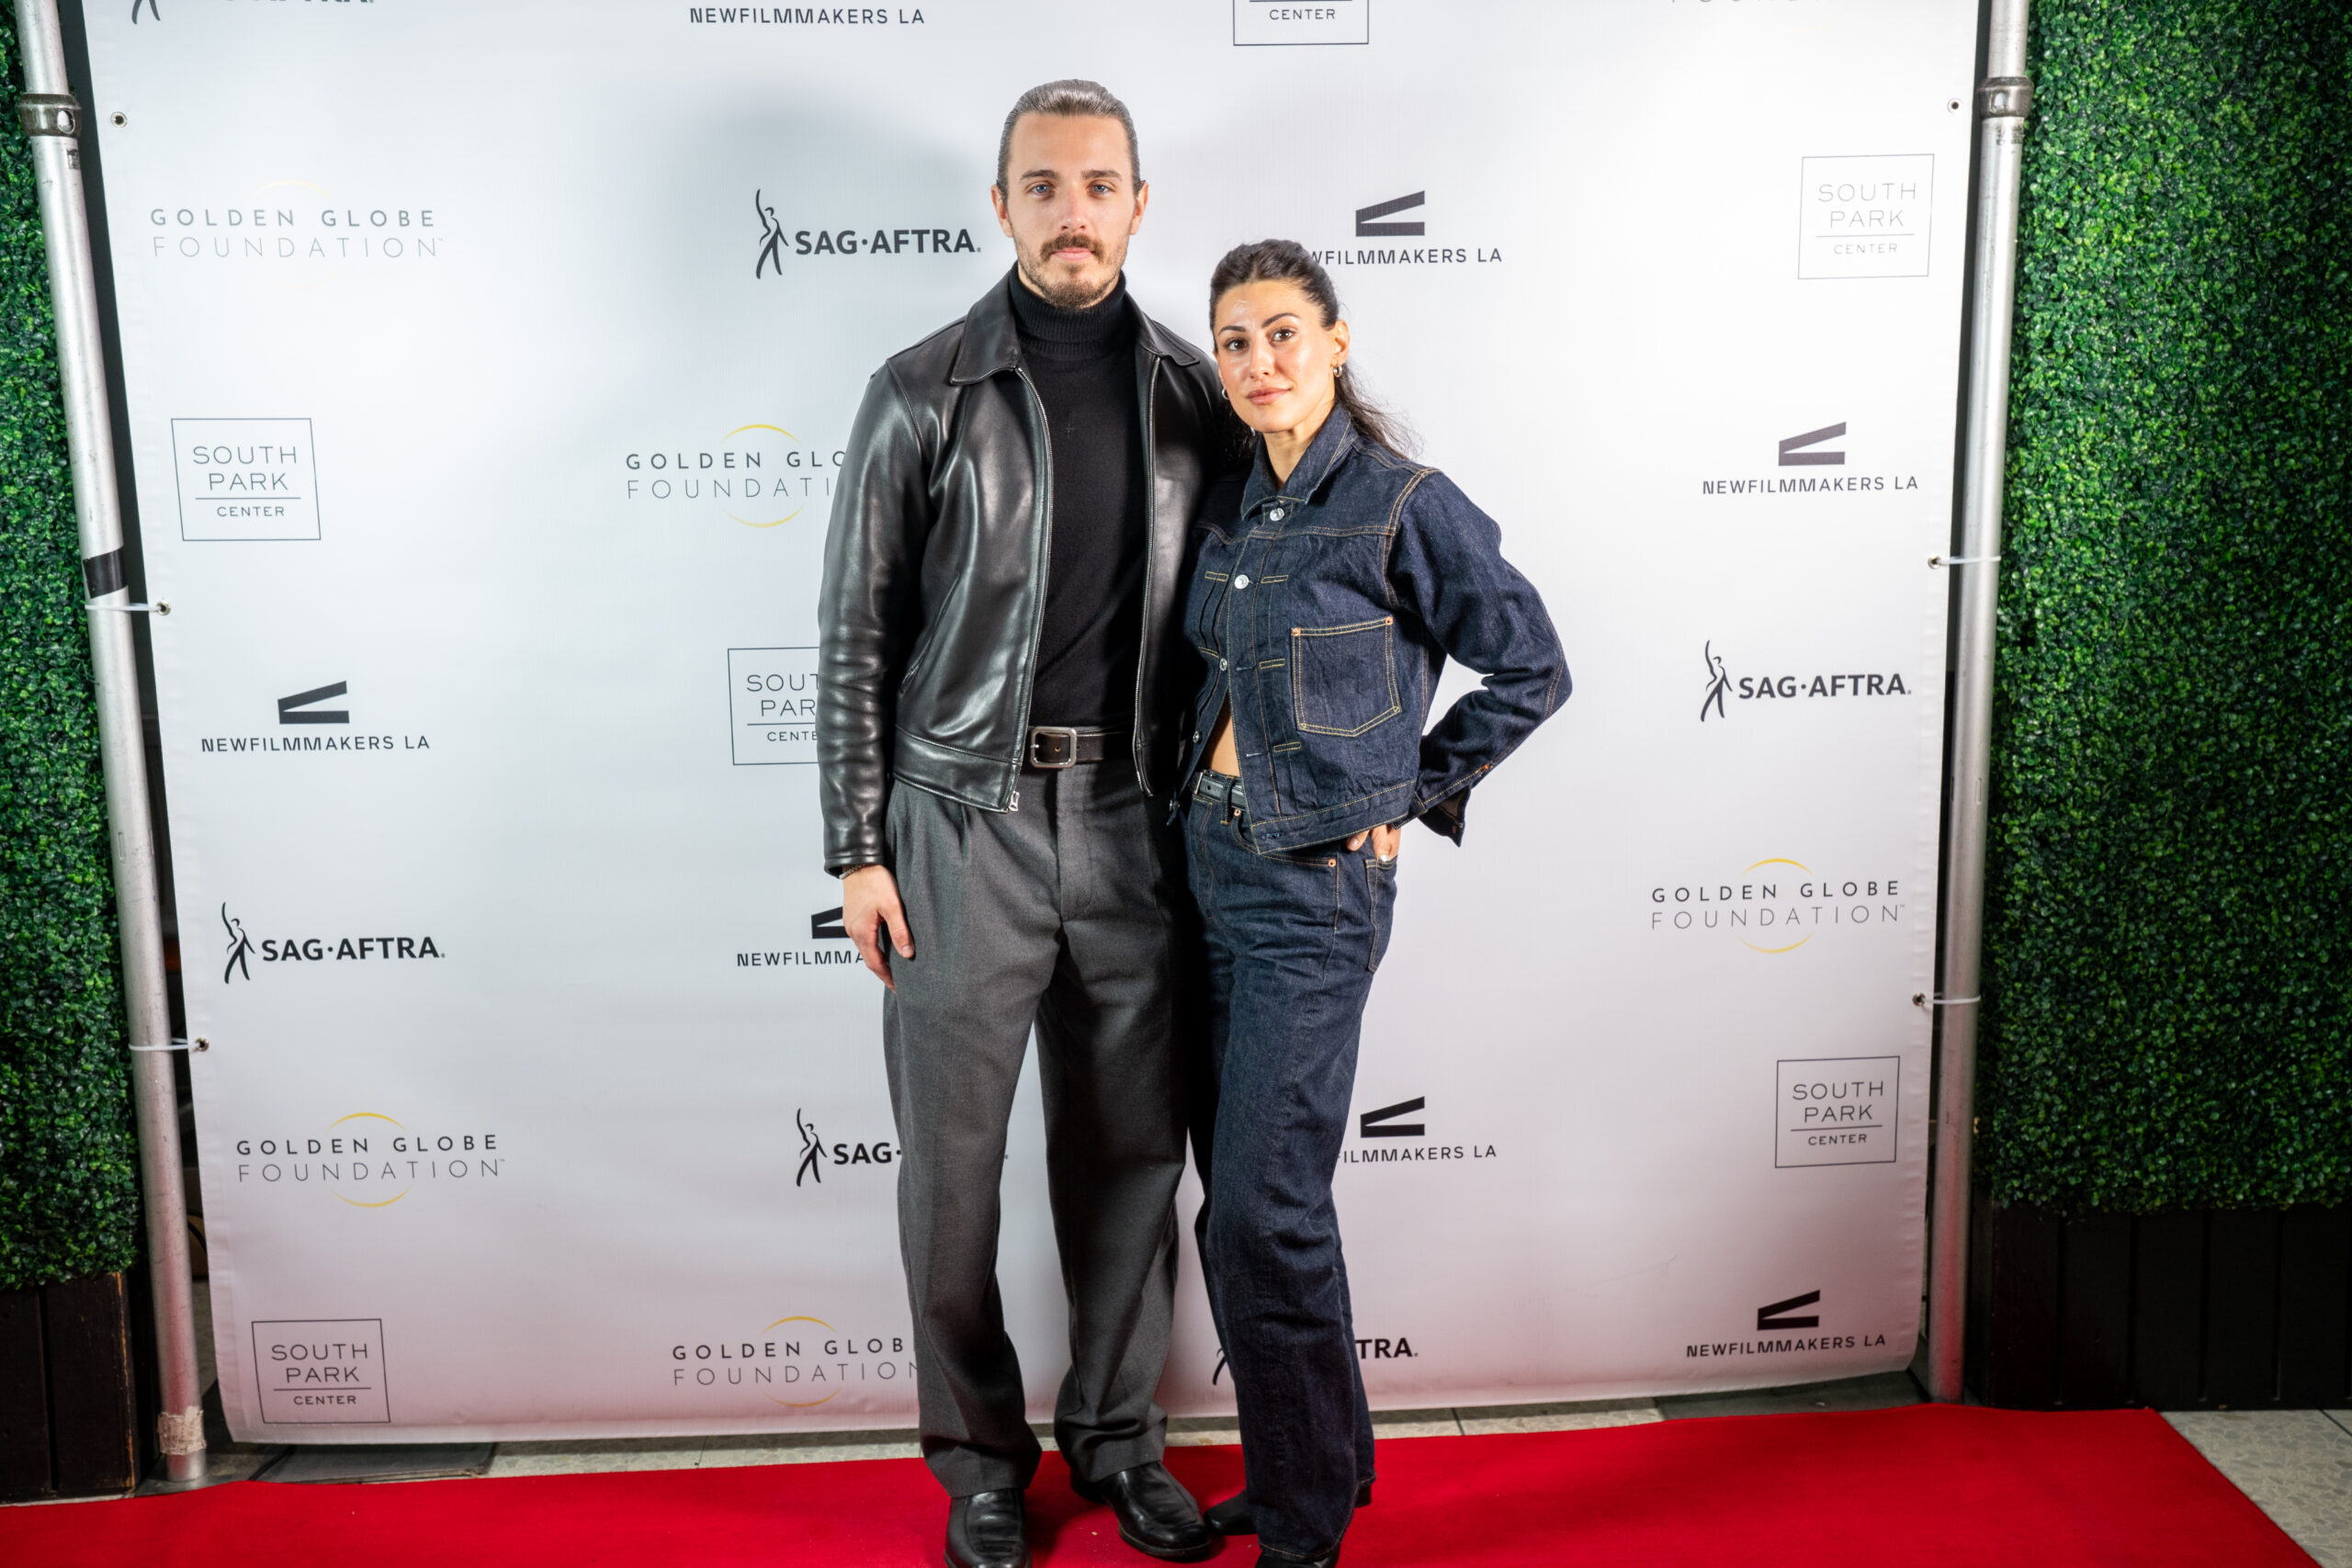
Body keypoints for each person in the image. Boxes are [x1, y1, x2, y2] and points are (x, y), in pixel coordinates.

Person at [816, 80, 1235, 1568]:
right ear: (1001, 207)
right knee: (951, 1177)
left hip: (1140, 823)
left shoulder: (1199, 396)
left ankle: (1119, 1443)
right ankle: (979, 1463)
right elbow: (857, 633)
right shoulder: (920, 389)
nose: (1074, 212)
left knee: (1131, 1163)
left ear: (1138, 205)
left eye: (1099, 185)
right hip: (958, 824)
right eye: (1044, 186)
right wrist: (856, 847)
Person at [1178, 240, 1568, 1568]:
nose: (1259, 363)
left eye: (1282, 333)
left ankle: (1299, 1530)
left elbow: (1531, 665)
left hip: (1313, 891)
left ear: (1336, 343)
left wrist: (1414, 789)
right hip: (1204, 866)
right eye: (1235, 342)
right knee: (1249, 1203)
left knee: (1260, 1213)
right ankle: (1321, 1470)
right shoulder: (1238, 505)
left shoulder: (1404, 502)